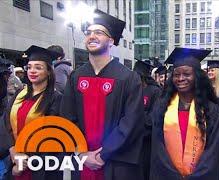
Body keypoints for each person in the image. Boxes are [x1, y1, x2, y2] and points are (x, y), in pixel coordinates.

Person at [60, 9, 145, 180]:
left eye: (99, 32)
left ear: (111, 41)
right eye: (89, 32)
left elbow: (131, 122)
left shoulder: (128, 77)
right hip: (82, 161)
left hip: (116, 162)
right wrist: (82, 152)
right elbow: (67, 117)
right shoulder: (76, 76)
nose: (92, 36)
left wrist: (103, 153)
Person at [150, 47, 219, 180]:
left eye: (187, 74)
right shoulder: (162, 107)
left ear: (197, 76)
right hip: (167, 175)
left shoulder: (211, 109)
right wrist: (173, 175)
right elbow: (158, 147)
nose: (180, 78)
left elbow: (213, 150)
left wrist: (196, 176)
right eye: (176, 74)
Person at [1, 45, 62, 179]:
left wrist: (25, 162)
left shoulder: (55, 98)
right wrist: (13, 152)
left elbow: (50, 136)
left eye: (38, 67)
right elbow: (5, 123)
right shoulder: (19, 93)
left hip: (38, 166)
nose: (32, 71)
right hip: (14, 160)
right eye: (29, 67)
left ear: (49, 72)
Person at [133, 60, 161, 180]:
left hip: (147, 142)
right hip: (132, 141)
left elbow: (154, 117)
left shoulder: (155, 91)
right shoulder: (131, 90)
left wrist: (135, 117)